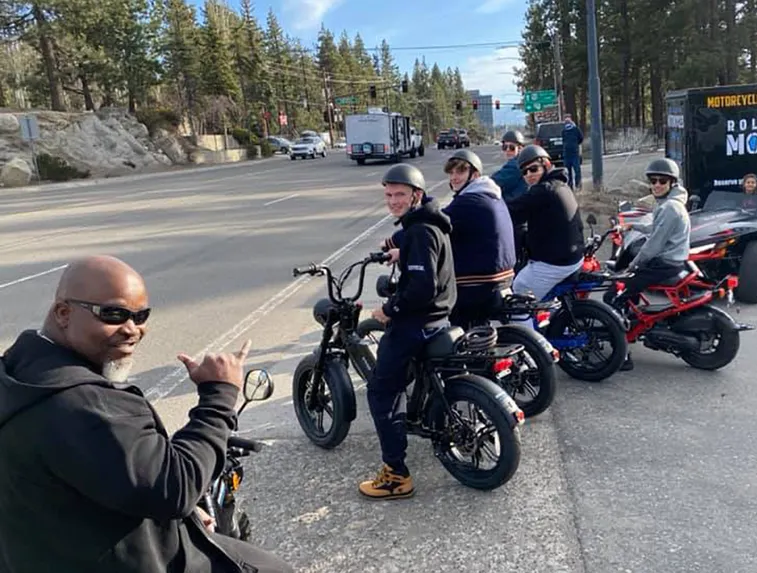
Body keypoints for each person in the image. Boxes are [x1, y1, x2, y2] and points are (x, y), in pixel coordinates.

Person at [0, 255, 293, 573]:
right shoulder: (89, 405)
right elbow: (176, 488)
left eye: (141, 316)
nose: (132, 330)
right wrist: (218, 396)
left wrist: (185, 514)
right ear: (63, 313)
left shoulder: (16, 372)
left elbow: (96, 469)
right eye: (112, 314)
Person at [364, 164, 456, 500]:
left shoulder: (419, 231)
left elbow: (420, 289)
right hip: (439, 320)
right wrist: (403, 253)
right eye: (388, 195)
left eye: (400, 194)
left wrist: (388, 310)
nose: (392, 201)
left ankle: (395, 474)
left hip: (416, 323)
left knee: (380, 390)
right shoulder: (433, 223)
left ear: (416, 195)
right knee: (399, 379)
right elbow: (429, 261)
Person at [385, 150, 515, 329]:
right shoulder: (492, 196)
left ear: (475, 174)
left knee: (432, 310)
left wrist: (391, 242)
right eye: (451, 172)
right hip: (502, 275)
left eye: (460, 172)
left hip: (478, 282)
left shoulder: (471, 201)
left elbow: (434, 223)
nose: (454, 177)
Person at [604, 158, 690, 371]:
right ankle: (632, 320)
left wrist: (632, 265)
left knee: (613, 294)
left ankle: (622, 355)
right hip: (673, 260)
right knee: (627, 287)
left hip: (665, 262)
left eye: (662, 181)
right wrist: (629, 226)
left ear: (672, 183)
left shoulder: (670, 207)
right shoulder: (672, 203)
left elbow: (654, 245)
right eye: (653, 181)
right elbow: (655, 227)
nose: (657, 185)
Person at [507, 144, 585, 312]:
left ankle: (527, 337)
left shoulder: (544, 190)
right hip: (573, 256)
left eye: (533, 169)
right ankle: (552, 317)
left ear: (547, 165)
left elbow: (511, 210)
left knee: (519, 290)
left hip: (557, 262)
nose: (529, 175)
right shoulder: (560, 185)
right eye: (524, 172)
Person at [490, 130, 530, 269]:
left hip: (512, 217)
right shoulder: (521, 162)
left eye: (512, 147)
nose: (508, 150)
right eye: (504, 147)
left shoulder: (515, 165)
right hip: (519, 216)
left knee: (510, 260)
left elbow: (493, 182)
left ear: (521, 148)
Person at [561, 115, 585, 191]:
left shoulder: (576, 129)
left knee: (577, 170)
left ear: (571, 121)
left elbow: (581, 138)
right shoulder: (564, 131)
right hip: (567, 154)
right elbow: (563, 140)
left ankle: (578, 186)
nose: (567, 122)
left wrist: (575, 145)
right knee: (568, 172)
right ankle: (570, 187)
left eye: (568, 120)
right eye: (566, 121)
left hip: (575, 154)